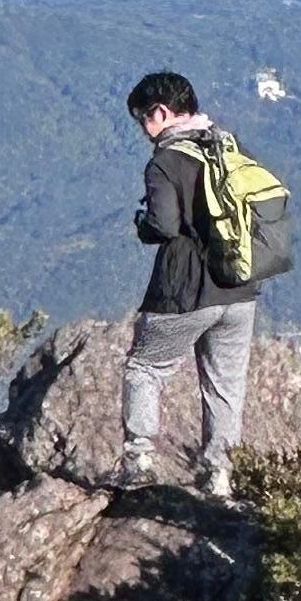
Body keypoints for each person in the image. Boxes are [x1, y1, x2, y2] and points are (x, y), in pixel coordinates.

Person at [122, 68, 256, 500]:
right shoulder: (227, 147)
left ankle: (139, 462)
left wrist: (142, 223)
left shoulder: (166, 161)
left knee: (145, 369)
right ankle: (219, 478)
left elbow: (163, 225)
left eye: (143, 117)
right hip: (239, 286)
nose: (143, 128)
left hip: (184, 288)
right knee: (225, 385)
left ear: (162, 112)